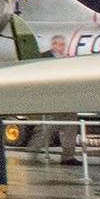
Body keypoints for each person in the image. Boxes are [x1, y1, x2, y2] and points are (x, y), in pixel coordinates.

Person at [30, 35, 80, 163]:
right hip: (51, 100)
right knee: (46, 129)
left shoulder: (68, 59)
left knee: (70, 127)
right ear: (53, 45)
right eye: (60, 44)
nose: (63, 47)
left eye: (64, 44)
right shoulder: (43, 58)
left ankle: (68, 156)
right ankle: (32, 154)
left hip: (67, 100)